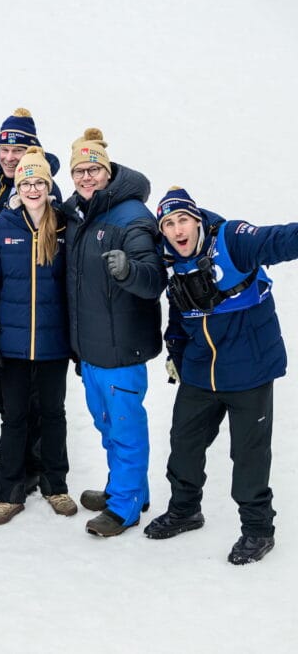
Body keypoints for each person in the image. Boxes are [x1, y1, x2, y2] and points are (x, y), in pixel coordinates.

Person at [144, 187, 295, 565]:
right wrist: (176, 354)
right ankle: (184, 511)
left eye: (183, 220)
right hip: (199, 373)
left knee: (248, 456)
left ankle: (258, 530)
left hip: (250, 370)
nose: (178, 230)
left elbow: (279, 240)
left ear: (197, 220)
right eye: (169, 224)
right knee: (183, 445)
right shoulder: (172, 262)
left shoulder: (233, 240)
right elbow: (178, 317)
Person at [60, 128, 166, 537]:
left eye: (93, 169)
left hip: (122, 349)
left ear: (107, 171)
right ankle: (127, 489)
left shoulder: (132, 216)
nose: (86, 177)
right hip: (91, 349)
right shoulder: (79, 215)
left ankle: (124, 509)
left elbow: (154, 279)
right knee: (107, 426)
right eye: (79, 171)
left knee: (125, 427)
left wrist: (130, 270)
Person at [0, 147, 76, 525]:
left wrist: (78, 339)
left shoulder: (65, 224)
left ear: (49, 186)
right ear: (18, 186)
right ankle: (8, 493)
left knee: (53, 415)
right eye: (26, 182)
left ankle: (56, 485)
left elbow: (75, 284)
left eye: (39, 182)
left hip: (53, 343)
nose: (32, 188)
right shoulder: (1, 226)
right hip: (12, 343)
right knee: (14, 418)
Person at [0, 108, 62, 484]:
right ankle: (19, 438)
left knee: (39, 395)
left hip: (35, 307)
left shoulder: (43, 187)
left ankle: (33, 454)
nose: (10, 157)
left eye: (19, 150)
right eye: (4, 149)